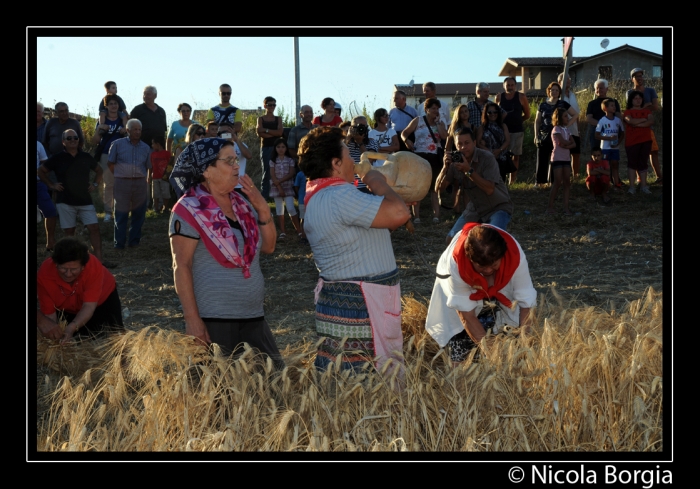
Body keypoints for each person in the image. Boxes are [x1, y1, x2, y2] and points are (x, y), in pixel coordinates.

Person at [297, 126, 410, 375]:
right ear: (336, 164)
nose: (355, 161)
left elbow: (365, 235)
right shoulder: (340, 195)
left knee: (348, 390)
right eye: (349, 155)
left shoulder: (320, 196)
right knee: (370, 388)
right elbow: (400, 214)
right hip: (362, 309)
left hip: (345, 306)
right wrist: (375, 180)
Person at [169, 137, 283, 367]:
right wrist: (192, 320)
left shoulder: (242, 204)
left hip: (253, 315)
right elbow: (181, 265)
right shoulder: (189, 209)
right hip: (214, 320)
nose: (236, 166)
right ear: (207, 170)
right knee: (221, 395)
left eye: (237, 159)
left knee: (273, 383)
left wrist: (261, 207)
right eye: (229, 160)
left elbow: (269, 246)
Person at [425, 223, 537, 364]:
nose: (489, 271)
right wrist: (493, 354)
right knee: (462, 347)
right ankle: (460, 379)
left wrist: (524, 346)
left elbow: (526, 305)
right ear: (470, 258)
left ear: (502, 256)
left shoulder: (515, 255)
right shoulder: (455, 264)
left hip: (500, 289)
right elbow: (467, 316)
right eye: (482, 267)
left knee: (509, 336)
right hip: (462, 293)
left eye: (494, 265)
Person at [38, 129, 113, 268]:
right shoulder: (57, 157)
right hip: (65, 200)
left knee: (94, 228)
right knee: (69, 232)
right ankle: (71, 261)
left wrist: (95, 184)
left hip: (85, 199)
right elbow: (40, 171)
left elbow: (99, 170)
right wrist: (51, 184)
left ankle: (99, 260)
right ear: (63, 142)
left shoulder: (85, 156)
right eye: (69, 138)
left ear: (79, 140)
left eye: (75, 138)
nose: (73, 140)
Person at [37, 237, 124, 343]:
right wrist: (54, 332)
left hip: (101, 302)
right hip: (67, 307)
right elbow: (49, 313)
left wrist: (71, 328)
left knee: (114, 337)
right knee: (74, 339)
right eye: (63, 268)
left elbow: (89, 306)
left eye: (74, 269)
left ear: (83, 267)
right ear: (55, 264)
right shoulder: (45, 273)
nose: (68, 274)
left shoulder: (92, 266)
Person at [437, 128, 513, 244]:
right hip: (475, 208)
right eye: (459, 144)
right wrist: (444, 168)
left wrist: (468, 171)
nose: (463, 147)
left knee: (492, 241)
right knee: (451, 240)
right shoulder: (456, 161)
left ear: (474, 143)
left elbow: (489, 189)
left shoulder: (487, 158)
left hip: (497, 207)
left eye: (467, 143)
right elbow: (438, 189)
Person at [107, 119, 152, 249]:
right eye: (135, 129)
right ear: (128, 130)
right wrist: (120, 174)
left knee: (139, 213)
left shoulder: (145, 147)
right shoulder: (117, 144)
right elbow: (110, 163)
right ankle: (119, 244)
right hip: (122, 182)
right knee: (121, 214)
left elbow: (148, 166)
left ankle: (134, 242)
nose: (137, 132)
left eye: (139, 130)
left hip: (140, 183)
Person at [402, 98, 448, 223]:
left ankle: (436, 215)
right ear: (426, 109)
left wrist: (438, 123)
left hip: (434, 157)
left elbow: (444, 136)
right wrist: (407, 141)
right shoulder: (418, 120)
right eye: (433, 108)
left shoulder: (441, 122)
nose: (436, 111)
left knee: (434, 187)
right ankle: (416, 216)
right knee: (418, 186)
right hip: (420, 156)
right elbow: (404, 132)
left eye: (437, 109)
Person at [533, 82, 577, 188]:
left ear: (559, 92)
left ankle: (553, 182)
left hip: (558, 135)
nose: (554, 92)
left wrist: (566, 125)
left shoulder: (562, 104)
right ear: (549, 91)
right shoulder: (542, 105)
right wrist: (536, 135)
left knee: (556, 159)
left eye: (557, 90)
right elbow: (537, 121)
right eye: (552, 90)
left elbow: (575, 114)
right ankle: (539, 182)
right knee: (542, 159)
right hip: (543, 135)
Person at [92, 94, 128, 223]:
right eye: (111, 104)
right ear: (106, 106)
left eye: (116, 104)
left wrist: (126, 131)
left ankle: (120, 210)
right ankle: (108, 212)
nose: (114, 106)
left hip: (122, 155)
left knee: (122, 183)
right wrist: (99, 129)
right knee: (108, 184)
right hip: (106, 154)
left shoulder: (124, 120)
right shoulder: (102, 120)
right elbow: (95, 141)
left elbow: (131, 138)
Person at [627, 68, 662, 184]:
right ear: (632, 79)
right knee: (638, 152)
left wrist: (642, 109)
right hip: (635, 127)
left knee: (654, 151)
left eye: (641, 76)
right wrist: (646, 106)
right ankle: (639, 178)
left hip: (647, 126)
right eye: (637, 76)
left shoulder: (650, 91)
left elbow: (656, 107)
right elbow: (630, 109)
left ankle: (659, 176)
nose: (640, 78)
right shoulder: (629, 93)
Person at [496, 77, 530, 184]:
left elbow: (527, 114)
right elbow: (495, 114)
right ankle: (502, 179)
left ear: (515, 86)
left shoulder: (521, 96)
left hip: (517, 130)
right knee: (502, 155)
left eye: (512, 85)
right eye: (508, 85)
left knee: (515, 156)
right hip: (502, 131)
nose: (510, 87)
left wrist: (519, 121)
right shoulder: (499, 97)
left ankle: (513, 181)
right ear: (504, 86)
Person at [268, 138, 303, 241]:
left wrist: (280, 181)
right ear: (275, 148)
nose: (281, 149)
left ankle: (299, 230)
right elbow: (273, 175)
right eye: (278, 147)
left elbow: (291, 173)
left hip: (287, 186)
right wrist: (278, 186)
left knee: (291, 208)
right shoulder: (272, 161)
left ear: (286, 148)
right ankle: (283, 232)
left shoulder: (290, 160)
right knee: (279, 209)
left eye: (283, 147)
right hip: (276, 187)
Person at [623, 90, 654, 195]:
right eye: (635, 98)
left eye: (639, 98)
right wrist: (643, 120)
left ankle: (644, 186)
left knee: (643, 163)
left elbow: (650, 121)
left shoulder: (647, 112)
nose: (638, 100)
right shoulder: (627, 112)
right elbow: (630, 121)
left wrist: (637, 123)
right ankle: (631, 187)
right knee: (632, 163)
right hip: (632, 141)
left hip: (645, 140)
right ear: (631, 100)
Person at [547, 108, 576, 215]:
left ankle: (566, 207)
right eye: (565, 116)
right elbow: (562, 142)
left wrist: (566, 145)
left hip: (566, 159)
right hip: (557, 158)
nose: (567, 117)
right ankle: (550, 207)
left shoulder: (567, 130)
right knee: (558, 182)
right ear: (559, 118)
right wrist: (567, 144)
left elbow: (573, 144)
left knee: (567, 182)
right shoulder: (556, 129)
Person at [476, 102, 512, 185]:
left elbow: (507, 141)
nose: (493, 114)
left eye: (495, 112)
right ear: (486, 114)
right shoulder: (482, 127)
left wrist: (499, 150)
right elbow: (478, 143)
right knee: (489, 182)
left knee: (501, 182)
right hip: (487, 158)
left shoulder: (503, 126)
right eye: (490, 112)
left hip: (501, 158)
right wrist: (489, 152)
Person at [256, 96, 284, 200]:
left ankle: (278, 194)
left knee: (279, 170)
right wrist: (274, 134)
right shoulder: (260, 119)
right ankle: (265, 196)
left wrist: (266, 130)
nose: (272, 107)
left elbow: (280, 132)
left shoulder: (278, 119)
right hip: (266, 147)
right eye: (270, 105)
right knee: (267, 171)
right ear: (265, 106)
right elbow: (259, 133)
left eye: (274, 105)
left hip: (278, 148)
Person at [595, 98, 625, 190]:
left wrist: (618, 143)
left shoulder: (618, 120)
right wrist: (608, 138)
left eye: (614, 105)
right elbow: (596, 135)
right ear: (605, 108)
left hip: (615, 148)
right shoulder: (602, 121)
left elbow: (622, 133)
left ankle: (617, 183)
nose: (614, 107)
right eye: (611, 105)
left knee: (615, 164)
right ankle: (605, 184)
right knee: (605, 165)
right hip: (605, 148)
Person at [346, 115, 380, 193]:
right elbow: (338, 156)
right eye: (358, 126)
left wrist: (360, 142)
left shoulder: (372, 142)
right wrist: (348, 137)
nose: (362, 129)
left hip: (367, 185)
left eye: (364, 126)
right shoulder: (345, 144)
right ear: (351, 128)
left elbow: (369, 160)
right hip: (348, 185)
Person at [217, 122, 253, 195]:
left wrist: (236, 139)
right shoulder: (216, 146)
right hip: (223, 185)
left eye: (226, 131)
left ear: (232, 131)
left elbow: (249, 156)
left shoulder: (240, 145)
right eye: (221, 132)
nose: (224, 134)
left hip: (239, 185)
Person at [585, 79, 621, 152]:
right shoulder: (592, 103)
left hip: (611, 130)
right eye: (596, 88)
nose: (599, 90)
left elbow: (618, 116)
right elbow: (589, 118)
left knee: (611, 153)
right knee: (596, 152)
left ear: (606, 89)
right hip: (597, 130)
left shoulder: (613, 101)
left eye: (601, 88)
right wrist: (602, 125)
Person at [557, 73, 582, 180]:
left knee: (576, 154)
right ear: (559, 82)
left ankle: (575, 176)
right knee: (563, 154)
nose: (568, 81)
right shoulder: (557, 96)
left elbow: (577, 114)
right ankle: (562, 177)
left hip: (574, 130)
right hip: (562, 131)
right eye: (565, 79)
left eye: (569, 78)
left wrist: (578, 129)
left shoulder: (573, 95)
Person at [36, 141, 57, 252]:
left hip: (39, 184)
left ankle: (50, 242)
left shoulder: (38, 144)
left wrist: (43, 178)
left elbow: (45, 165)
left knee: (50, 211)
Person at [150, 135, 171, 213]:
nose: (152, 146)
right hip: (155, 177)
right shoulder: (152, 154)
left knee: (165, 193)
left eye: (153, 144)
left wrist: (168, 175)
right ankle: (156, 208)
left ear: (158, 144)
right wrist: (149, 176)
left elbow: (170, 164)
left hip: (164, 177)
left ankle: (165, 207)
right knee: (155, 194)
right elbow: (150, 166)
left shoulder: (167, 153)